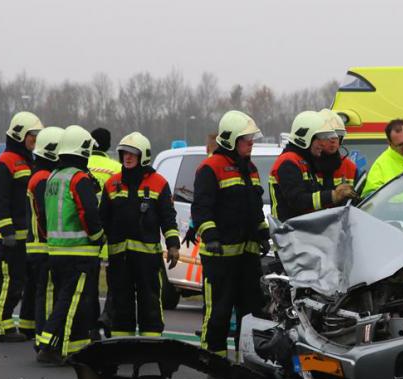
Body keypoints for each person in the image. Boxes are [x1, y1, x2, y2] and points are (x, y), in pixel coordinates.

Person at [185, 110, 269, 357]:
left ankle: (247, 360)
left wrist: (262, 232)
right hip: (219, 256)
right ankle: (214, 361)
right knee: (218, 311)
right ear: (232, 140)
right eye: (246, 139)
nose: (251, 143)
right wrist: (211, 237)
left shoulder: (250, 168)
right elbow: (201, 207)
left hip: (247, 256)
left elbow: (254, 206)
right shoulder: (211, 167)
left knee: (251, 311)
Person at [36, 125, 105, 364]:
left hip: (56, 251)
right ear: (82, 151)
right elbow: (89, 213)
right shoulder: (79, 179)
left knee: (62, 299)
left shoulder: (53, 177)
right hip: (79, 252)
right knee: (75, 302)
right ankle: (61, 349)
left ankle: (52, 344)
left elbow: (42, 217)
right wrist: (99, 238)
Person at [100, 132, 180, 337]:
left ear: (143, 156)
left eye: (132, 154)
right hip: (119, 258)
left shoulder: (158, 183)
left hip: (147, 259)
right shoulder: (112, 184)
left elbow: (168, 218)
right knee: (120, 302)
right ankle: (121, 343)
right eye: (124, 153)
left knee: (150, 301)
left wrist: (173, 245)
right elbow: (103, 219)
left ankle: (151, 343)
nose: (127, 157)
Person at [0, 111, 43, 343]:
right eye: (33, 135)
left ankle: (26, 326)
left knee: (25, 283)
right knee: (9, 282)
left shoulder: (30, 160)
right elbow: (0, 201)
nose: (35, 140)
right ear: (20, 134)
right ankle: (0, 327)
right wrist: (6, 231)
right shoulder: (5, 162)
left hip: (29, 238)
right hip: (12, 237)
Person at [270, 110, 357, 221]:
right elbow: (297, 201)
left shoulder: (304, 162)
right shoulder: (289, 162)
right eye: (320, 138)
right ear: (305, 137)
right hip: (290, 233)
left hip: (301, 232)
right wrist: (333, 195)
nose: (323, 143)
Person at [26, 126, 63, 350]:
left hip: (38, 246)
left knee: (43, 292)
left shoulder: (40, 175)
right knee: (48, 293)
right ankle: (45, 341)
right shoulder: (42, 179)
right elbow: (44, 214)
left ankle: (42, 337)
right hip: (43, 246)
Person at [87, 127, 122, 337]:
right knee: (114, 283)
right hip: (110, 233)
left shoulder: (83, 164)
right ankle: (107, 320)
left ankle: (90, 324)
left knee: (88, 285)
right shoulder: (116, 168)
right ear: (109, 145)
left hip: (87, 234)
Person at [316, 109, 359, 191]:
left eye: (337, 135)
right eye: (328, 135)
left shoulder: (350, 168)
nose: (333, 140)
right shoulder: (306, 167)